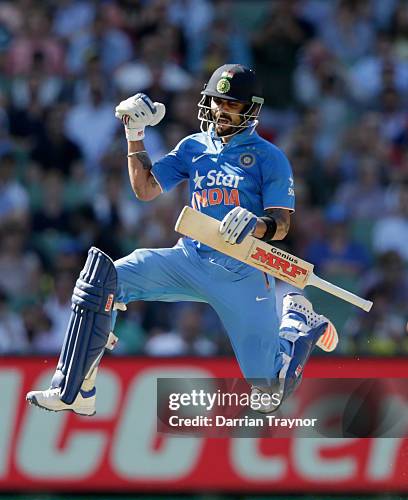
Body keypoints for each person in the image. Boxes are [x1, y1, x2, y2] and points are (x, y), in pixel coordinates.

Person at [26, 63, 338, 416]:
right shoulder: (194, 146)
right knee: (103, 281)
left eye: (231, 104)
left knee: (269, 392)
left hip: (242, 273)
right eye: (216, 101)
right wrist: (135, 133)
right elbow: (145, 189)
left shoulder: (269, 157)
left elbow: (282, 224)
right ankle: (78, 387)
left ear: (250, 109)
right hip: (188, 259)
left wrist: (256, 224)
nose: (221, 110)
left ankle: (296, 325)